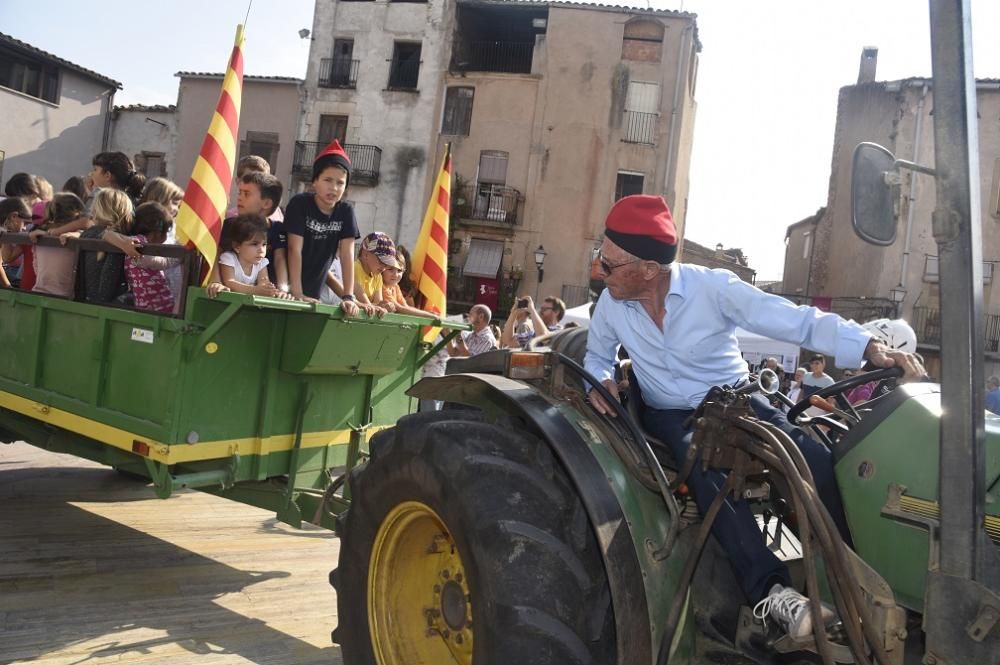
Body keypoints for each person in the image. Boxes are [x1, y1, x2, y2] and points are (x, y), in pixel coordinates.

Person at [584, 195, 925, 640]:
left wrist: (864, 345)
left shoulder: (713, 288)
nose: (599, 270)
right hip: (670, 413)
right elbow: (597, 356)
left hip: (737, 400)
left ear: (648, 268)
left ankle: (864, 576)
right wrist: (600, 380)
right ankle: (773, 593)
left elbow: (792, 319)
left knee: (817, 462)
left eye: (608, 264)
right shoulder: (612, 304)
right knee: (707, 467)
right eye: (600, 258)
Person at [285, 139, 360, 315]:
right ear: (315, 181)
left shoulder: (346, 211)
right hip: (286, 289)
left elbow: (347, 254)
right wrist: (297, 292)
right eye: (327, 180)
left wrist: (348, 296)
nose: (333, 188)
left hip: (314, 292)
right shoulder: (300, 204)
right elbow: (293, 249)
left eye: (340, 182)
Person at [210, 214, 289, 299]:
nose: (261, 250)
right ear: (237, 246)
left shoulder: (261, 263)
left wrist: (271, 291)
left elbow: (263, 285)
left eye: (264, 244)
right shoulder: (229, 258)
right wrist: (255, 290)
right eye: (254, 244)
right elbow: (229, 283)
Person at [77, 189, 135, 304]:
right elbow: (107, 284)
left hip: (84, 301)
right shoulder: (118, 240)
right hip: (104, 307)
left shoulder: (86, 234)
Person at [124, 202, 180, 313]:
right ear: (158, 233)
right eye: (166, 232)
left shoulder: (129, 242)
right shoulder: (138, 243)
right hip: (159, 306)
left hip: (144, 304)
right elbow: (158, 263)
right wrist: (181, 253)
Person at [234, 172, 286, 289]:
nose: (239, 197)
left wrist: (283, 289)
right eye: (240, 192)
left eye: (246, 194)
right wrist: (215, 282)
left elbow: (280, 260)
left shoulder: (278, 229)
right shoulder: (230, 224)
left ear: (266, 203)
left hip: (268, 292)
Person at [31, 193, 89, 298]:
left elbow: (36, 268)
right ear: (78, 215)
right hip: (66, 299)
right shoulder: (75, 239)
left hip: (38, 294)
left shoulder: (39, 237)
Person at [379, 249, 435, 317]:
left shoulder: (395, 286)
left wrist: (427, 313)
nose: (395, 274)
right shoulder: (382, 287)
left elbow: (405, 307)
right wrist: (427, 315)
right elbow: (400, 309)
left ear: (404, 271)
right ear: (382, 269)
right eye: (390, 269)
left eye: (399, 270)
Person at [501, 295, 566, 349]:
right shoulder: (535, 333)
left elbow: (543, 337)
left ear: (556, 312)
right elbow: (508, 340)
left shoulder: (560, 331)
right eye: (541, 309)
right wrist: (513, 314)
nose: (541, 312)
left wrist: (532, 310)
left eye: (544, 309)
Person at [354, 232, 396, 313]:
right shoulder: (354, 268)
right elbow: (366, 304)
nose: (384, 267)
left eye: (387, 263)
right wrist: (380, 307)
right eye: (381, 261)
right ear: (366, 255)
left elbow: (377, 304)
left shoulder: (377, 275)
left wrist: (385, 305)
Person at [0, 197, 33, 287]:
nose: (25, 228)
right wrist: (9, 288)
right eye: (25, 223)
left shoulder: (3, 231)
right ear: (13, 216)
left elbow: (6, 258)